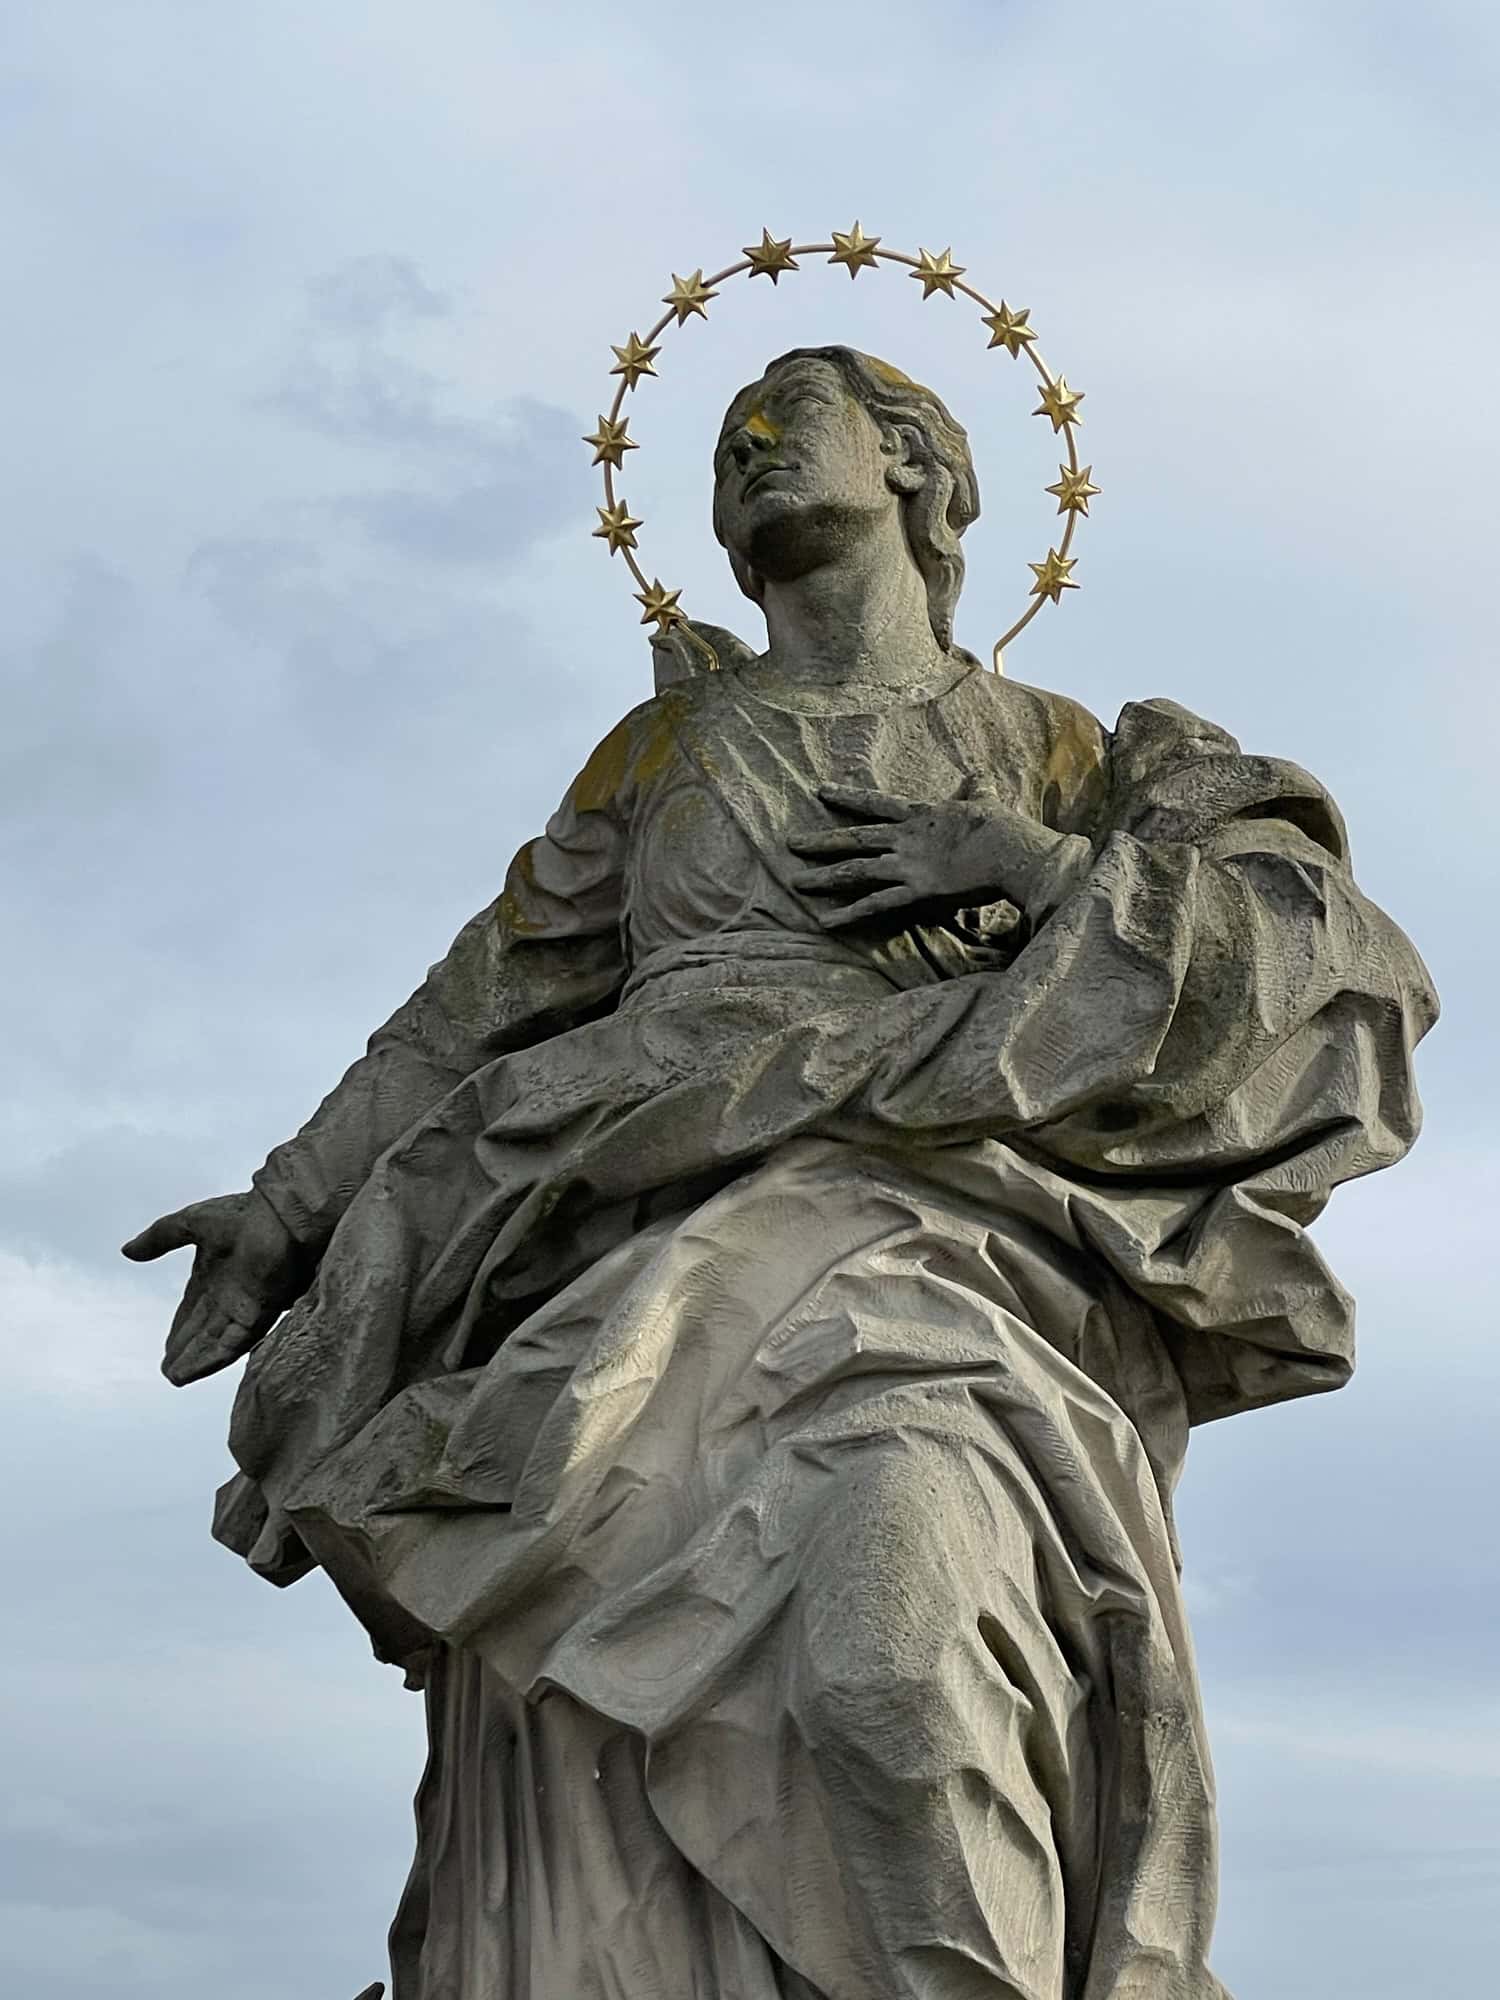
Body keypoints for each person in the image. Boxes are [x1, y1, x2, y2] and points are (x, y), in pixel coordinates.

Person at [126, 346, 1436, 1999]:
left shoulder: (1050, 745)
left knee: (903, 1672)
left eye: (782, 420)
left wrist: (1044, 874)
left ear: (916, 466)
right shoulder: (662, 752)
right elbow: (474, 1005)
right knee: (587, 1757)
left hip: (930, 1268)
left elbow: (1326, 954)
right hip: (606, 1271)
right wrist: (289, 1201)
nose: (742, 450)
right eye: (719, 441)